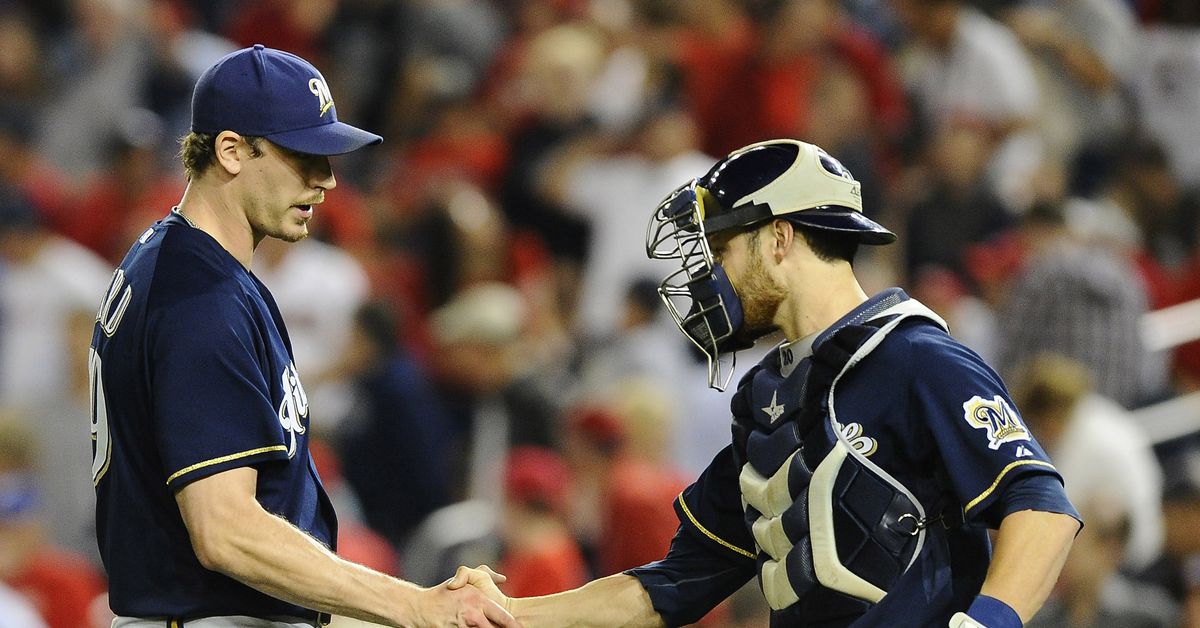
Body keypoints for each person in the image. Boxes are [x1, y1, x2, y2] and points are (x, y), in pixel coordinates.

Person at [451, 139, 1081, 627]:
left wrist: (989, 621)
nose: (708, 275)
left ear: (779, 237)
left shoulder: (915, 356)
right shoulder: (767, 394)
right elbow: (668, 588)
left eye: (721, 249)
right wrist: (504, 615)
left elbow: (1041, 508)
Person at [88, 44, 517, 628]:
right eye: (304, 156)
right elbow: (226, 532)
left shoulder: (187, 265)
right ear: (232, 151)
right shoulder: (198, 299)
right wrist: (413, 606)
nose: (327, 180)